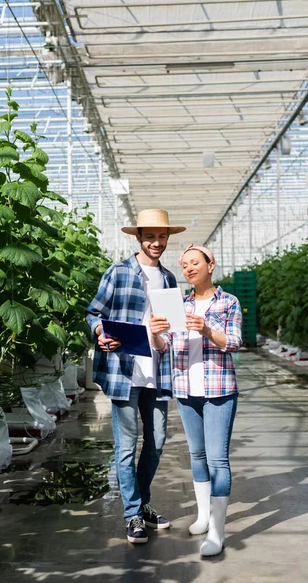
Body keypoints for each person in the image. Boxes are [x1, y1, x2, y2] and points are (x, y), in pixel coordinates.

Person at [86, 209, 186, 544]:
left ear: (167, 238)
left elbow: (173, 328)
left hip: (156, 373)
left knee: (157, 442)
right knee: (126, 446)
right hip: (125, 372)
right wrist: (100, 331)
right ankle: (132, 514)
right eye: (150, 237)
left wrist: (165, 334)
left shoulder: (170, 279)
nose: (156, 243)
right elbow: (94, 312)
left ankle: (142, 504)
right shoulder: (118, 272)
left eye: (162, 237)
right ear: (138, 237)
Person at [149, 244, 242, 556]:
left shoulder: (228, 302)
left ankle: (217, 532)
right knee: (197, 455)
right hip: (186, 390)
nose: (188, 269)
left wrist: (206, 329)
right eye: (184, 265)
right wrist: (155, 333)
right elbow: (166, 345)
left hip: (218, 390)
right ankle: (203, 517)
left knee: (217, 460)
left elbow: (234, 341)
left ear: (210, 264)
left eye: (194, 263)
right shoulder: (181, 304)